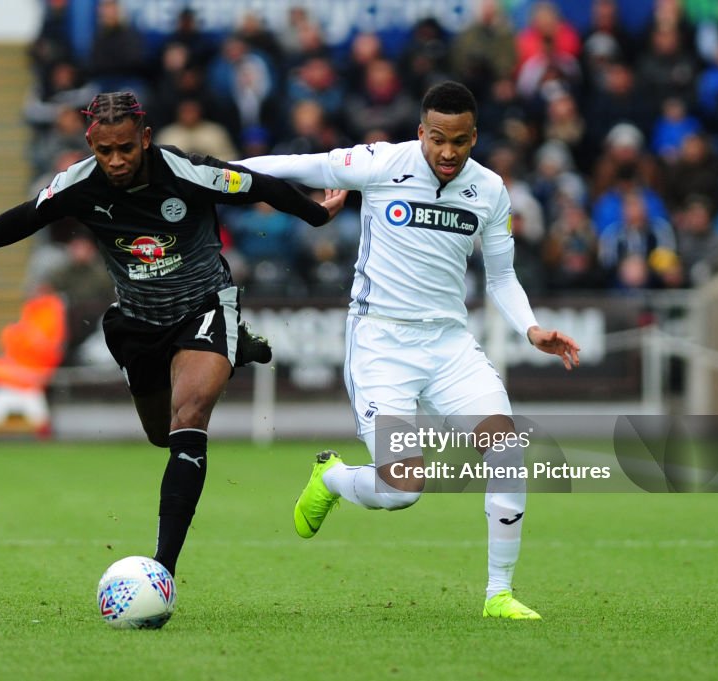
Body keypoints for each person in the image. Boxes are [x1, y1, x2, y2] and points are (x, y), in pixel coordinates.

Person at [0, 92, 345, 577]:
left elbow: (257, 184)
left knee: (189, 419)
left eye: (125, 149)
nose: (116, 161)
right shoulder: (77, 185)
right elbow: (24, 217)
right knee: (162, 434)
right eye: (105, 151)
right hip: (138, 322)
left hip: (204, 306)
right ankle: (235, 349)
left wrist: (315, 215)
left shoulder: (187, 172)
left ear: (144, 138)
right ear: (90, 145)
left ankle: (163, 568)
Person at [235, 81, 580, 620]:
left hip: (449, 345)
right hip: (380, 342)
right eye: (437, 139)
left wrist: (531, 328)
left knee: (507, 451)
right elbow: (299, 165)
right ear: (421, 132)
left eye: (460, 141)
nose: (448, 152)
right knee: (403, 488)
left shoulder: (489, 191)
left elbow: (504, 276)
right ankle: (332, 479)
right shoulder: (381, 163)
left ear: (474, 138)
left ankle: (499, 594)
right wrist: (213, 171)